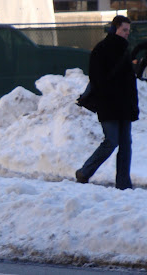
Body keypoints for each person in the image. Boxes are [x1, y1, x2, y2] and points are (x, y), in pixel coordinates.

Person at [75, 15, 139, 190]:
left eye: (128, 30)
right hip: (109, 105)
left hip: (125, 105)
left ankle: (123, 184)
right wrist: (109, 98)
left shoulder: (125, 50)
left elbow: (130, 82)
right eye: (124, 30)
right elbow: (97, 78)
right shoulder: (101, 49)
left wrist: (134, 105)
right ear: (115, 28)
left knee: (126, 144)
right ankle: (84, 172)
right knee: (111, 141)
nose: (127, 34)